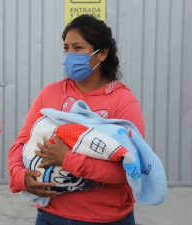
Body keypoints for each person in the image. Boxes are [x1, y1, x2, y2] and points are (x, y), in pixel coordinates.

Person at [8, 14, 145, 225]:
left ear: (102, 54)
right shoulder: (49, 94)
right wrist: (20, 176)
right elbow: (22, 141)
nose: (69, 54)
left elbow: (131, 168)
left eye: (78, 48)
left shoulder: (123, 101)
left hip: (106, 219)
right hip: (50, 217)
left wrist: (69, 160)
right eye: (66, 47)